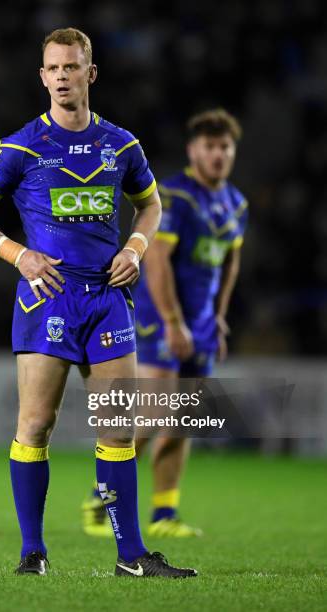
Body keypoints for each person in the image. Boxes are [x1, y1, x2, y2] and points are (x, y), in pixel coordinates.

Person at [0, 27, 197, 579]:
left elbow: (151, 206)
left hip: (108, 299)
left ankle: (131, 557)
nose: (62, 77)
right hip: (48, 299)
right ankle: (32, 553)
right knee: (35, 425)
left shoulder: (122, 145)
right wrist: (19, 255)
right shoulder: (20, 147)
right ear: (42, 77)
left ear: (91, 73)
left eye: (71, 67)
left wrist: (136, 245)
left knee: (118, 429)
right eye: (53, 69)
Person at [82, 108, 247, 538]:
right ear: (193, 150)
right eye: (209, 147)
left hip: (203, 325)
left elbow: (229, 263)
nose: (217, 155)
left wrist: (220, 317)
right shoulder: (174, 197)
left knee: (183, 422)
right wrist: (174, 322)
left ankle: (164, 514)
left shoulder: (235, 204)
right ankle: (101, 496)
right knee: (153, 414)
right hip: (161, 322)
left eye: (224, 147)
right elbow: (156, 259)